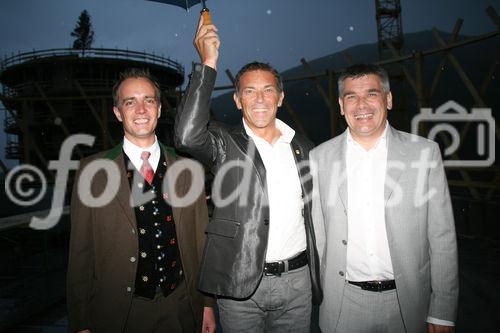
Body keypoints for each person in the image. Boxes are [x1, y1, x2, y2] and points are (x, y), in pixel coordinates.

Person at [173, 15, 322, 332]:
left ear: (280, 98)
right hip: (239, 282)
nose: (259, 99)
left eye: (268, 90)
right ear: (238, 100)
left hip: (297, 283)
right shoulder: (224, 143)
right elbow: (186, 135)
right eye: (249, 92)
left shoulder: (304, 148)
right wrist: (208, 61)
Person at [310, 63, 458, 333]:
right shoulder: (319, 158)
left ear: (388, 99)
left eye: (371, 94)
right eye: (351, 96)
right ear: (341, 105)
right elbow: (318, 235)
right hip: (343, 305)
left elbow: (442, 237)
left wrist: (443, 311)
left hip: (409, 305)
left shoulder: (424, 153)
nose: (361, 104)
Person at [67, 68, 216, 333]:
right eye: (130, 102)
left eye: (148, 100)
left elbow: (202, 242)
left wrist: (207, 303)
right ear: (117, 113)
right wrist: (81, 322)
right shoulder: (91, 172)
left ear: (159, 109)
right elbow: (81, 253)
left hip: (180, 307)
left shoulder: (189, 170)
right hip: (119, 313)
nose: (141, 110)